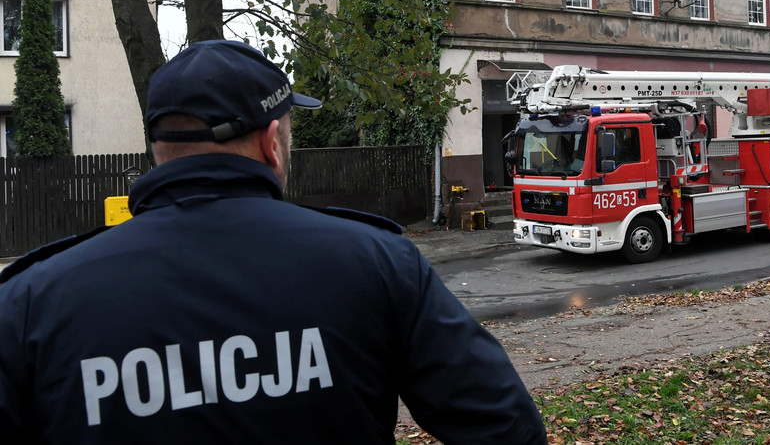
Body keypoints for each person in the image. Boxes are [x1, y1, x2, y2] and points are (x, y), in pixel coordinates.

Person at [0, 40, 546, 445]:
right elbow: (506, 428)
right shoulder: (376, 263)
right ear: (271, 143)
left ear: (156, 147)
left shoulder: (30, 303)